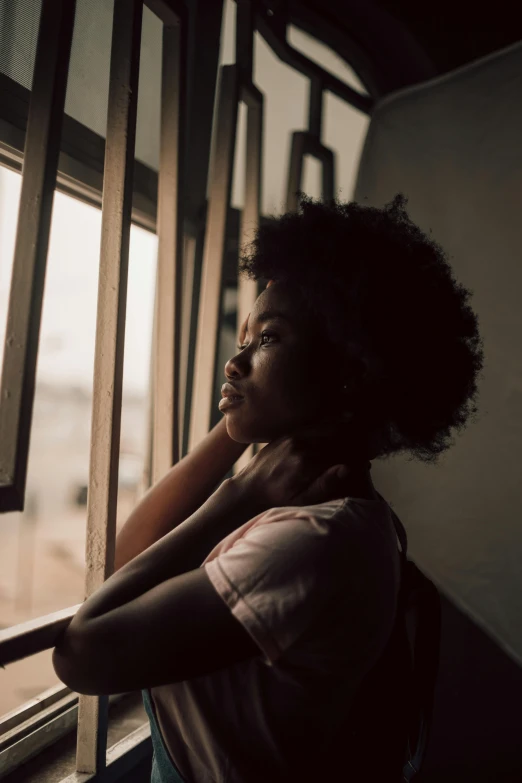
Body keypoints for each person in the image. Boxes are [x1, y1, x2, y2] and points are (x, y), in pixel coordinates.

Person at [52, 194, 484, 782]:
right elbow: (132, 557)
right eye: (243, 338)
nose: (235, 361)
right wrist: (238, 426)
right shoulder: (344, 514)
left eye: (268, 340)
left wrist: (241, 496)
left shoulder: (310, 542)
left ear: (351, 371)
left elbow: (82, 654)